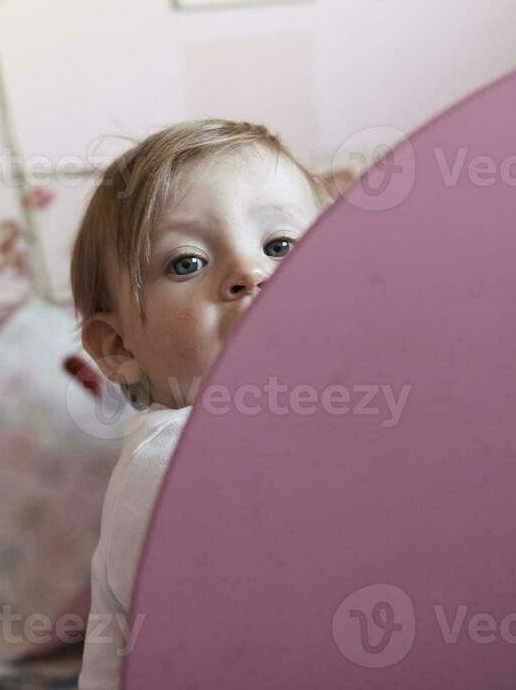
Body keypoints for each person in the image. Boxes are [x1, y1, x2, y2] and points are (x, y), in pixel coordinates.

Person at [69, 119, 332, 689]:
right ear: (118, 348)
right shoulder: (172, 460)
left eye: (281, 246)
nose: (249, 273)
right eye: (187, 262)